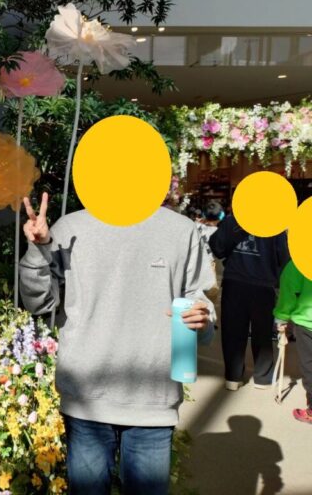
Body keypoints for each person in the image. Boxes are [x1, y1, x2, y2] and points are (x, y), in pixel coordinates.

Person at [20, 192, 215, 495]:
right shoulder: (70, 227)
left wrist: (202, 319)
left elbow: (199, 301)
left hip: (154, 401)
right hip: (86, 400)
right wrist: (37, 250)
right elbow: (39, 303)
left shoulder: (180, 230)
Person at [209, 213, 289, 390]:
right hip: (264, 283)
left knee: (232, 331)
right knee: (263, 332)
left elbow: (217, 248)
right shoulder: (275, 223)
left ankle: (233, 376)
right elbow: (284, 258)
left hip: (234, 280)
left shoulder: (233, 219)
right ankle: (263, 378)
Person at [273, 260, 312, 424]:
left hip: (307, 322)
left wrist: (282, 316)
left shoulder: (302, 258)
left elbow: (288, 288)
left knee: (309, 366)